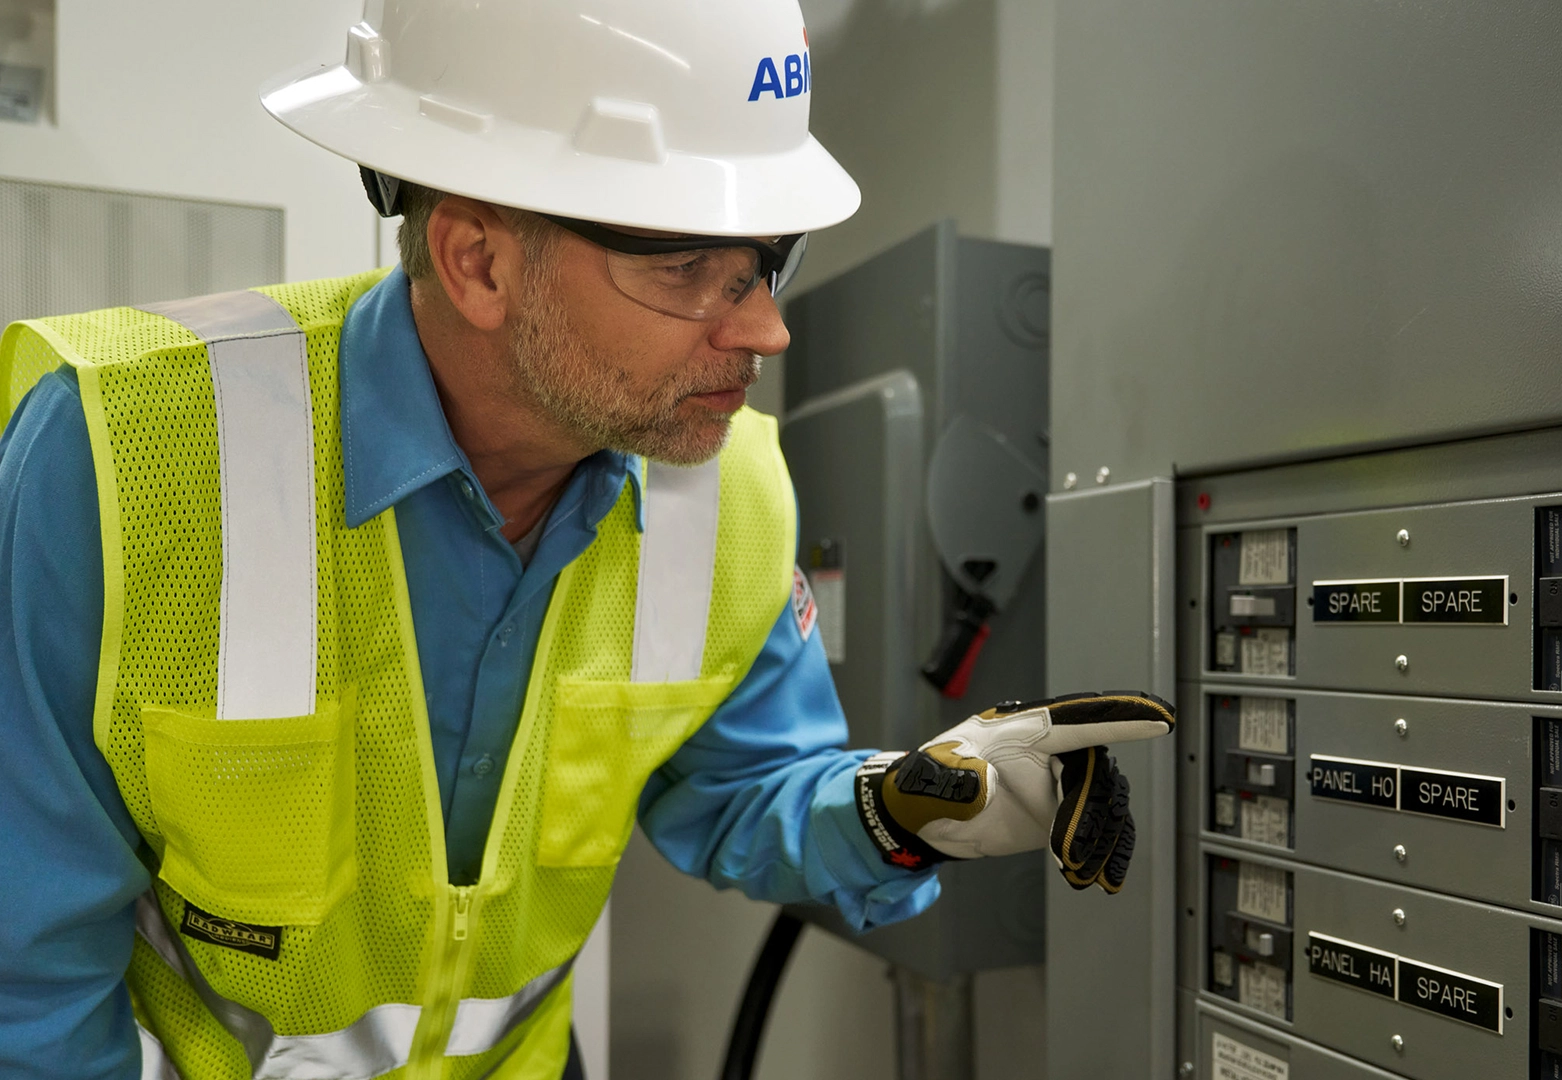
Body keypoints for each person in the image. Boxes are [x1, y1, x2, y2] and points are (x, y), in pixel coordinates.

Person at [0, 1, 1174, 1076]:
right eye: (689, 271)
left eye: (770, 264)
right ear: (479, 260)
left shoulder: (728, 494)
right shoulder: (118, 458)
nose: (766, 329)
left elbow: (738, 791)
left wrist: (900, 808)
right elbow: (27, 970)